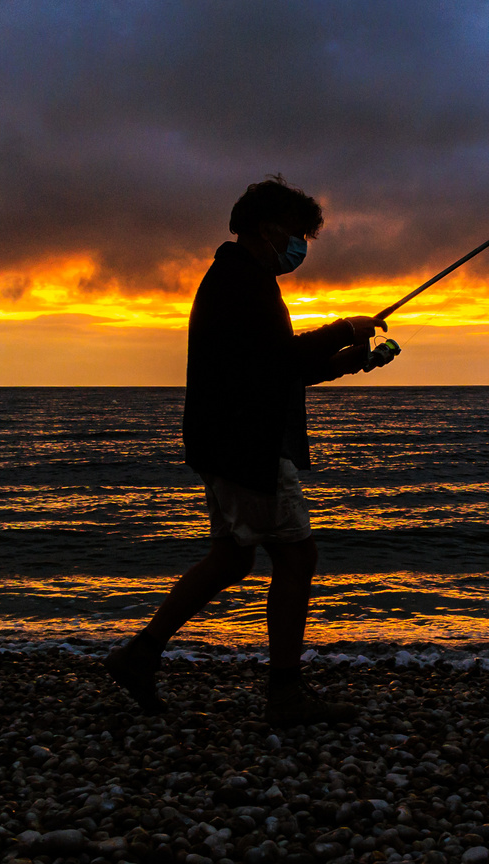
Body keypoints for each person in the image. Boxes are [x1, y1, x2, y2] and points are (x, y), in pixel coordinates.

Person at [106, 177, 392, 725]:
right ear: (268, 229)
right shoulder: (241, 281)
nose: (299, 248)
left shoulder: (242, 278)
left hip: (228, 443)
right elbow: (281, 359)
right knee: (295, 556)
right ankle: (284, 695)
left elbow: (277, 368)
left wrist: (354, 359)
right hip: (248, 445)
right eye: (296, 235)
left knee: (234, 557)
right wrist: (342, 328)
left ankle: (139, 656)